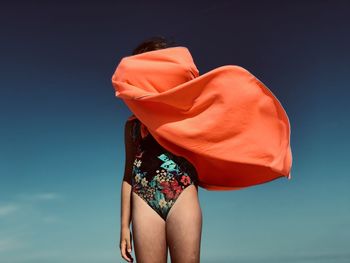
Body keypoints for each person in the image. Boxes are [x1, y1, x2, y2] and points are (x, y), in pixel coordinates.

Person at [119, 36, 203, 263]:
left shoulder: (184, 114)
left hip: (182, 192)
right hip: (144, 198)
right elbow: (128, 175)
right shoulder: (132, 127)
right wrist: (123, 228)